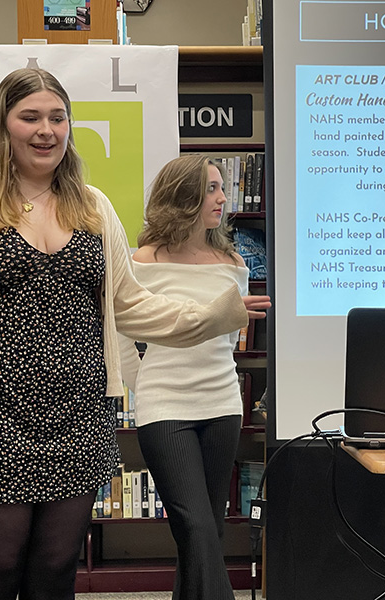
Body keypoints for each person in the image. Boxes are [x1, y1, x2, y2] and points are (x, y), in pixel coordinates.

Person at [0, 69, 270, 600]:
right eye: (30, 117)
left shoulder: (92, 207)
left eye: (57, 117)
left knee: (55, 570)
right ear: (2, 126)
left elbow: (131, 305)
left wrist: (214, 315)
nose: (45, 130)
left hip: (77, 416)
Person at [118, 155, 259, 600]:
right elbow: (121, 334)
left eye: (222, 188)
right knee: (195, 525)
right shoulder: (143, 260)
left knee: (205, 532)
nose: (222, 198)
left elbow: (231, 335)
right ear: (183, 197)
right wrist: (148, 383)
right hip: (165, 407)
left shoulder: (233, 261)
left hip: (222, 403)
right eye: (211, 189)